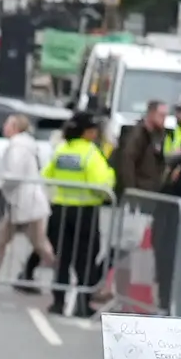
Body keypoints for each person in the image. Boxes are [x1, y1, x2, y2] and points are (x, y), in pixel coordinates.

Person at [39, 112, 115, 315]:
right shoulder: (91, 153)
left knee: (62, 260)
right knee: (86, 260)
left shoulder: (61, 150)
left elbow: (46, 175)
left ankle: (58, 303)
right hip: (85, 212)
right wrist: (111, 177)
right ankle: (82, 304)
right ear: (87, 132)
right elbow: (101, 183)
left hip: (61, 211)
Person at [0, 106, 53, 293]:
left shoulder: (17, 146)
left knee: (40, 245)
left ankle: (68, 279)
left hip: (26, 203)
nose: (4, 126)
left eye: (7, 123)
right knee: (5, 241)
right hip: (23, 203)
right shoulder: (25, 144)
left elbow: (13, 175)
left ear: (15, 127)